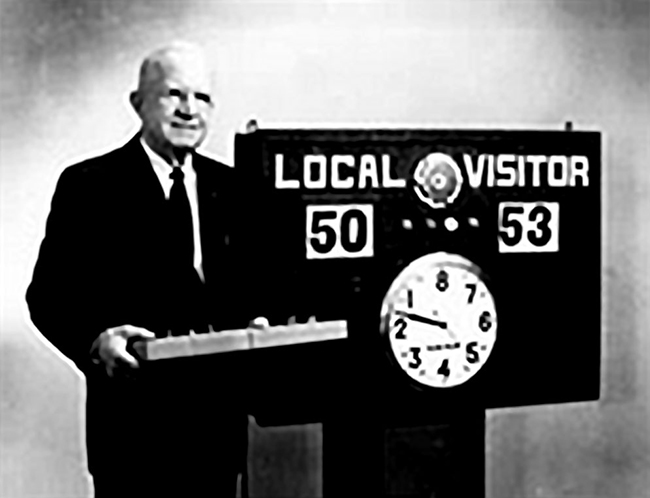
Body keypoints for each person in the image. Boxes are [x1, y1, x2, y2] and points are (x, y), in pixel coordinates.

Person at [26, 42, 255, 497]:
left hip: (216, 431)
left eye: (202, 98)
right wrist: (94, 342)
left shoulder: (235, 189)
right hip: (132, 433)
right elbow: (48, 296)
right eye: (174, 94)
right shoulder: (90, 186)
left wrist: (261, 324)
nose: (189, 111)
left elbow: (255, 288)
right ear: (139, 103)